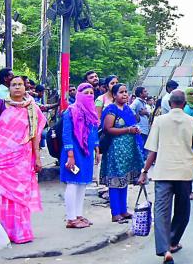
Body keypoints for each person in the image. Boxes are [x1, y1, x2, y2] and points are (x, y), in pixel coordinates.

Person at [139, 90, 193, 264]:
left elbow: (152, 150)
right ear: (184, 104)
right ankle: (173, 242)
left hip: (162, 173)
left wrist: (144, 170)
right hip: (183, 174)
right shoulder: (192, 121)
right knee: (183, 211)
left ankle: (165, 249)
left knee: (161, 212)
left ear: (170, 104)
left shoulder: (160, 121)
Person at [0, 76, 47, 243]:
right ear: (9, 87)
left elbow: (35, 136)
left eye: (20, 84)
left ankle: (19, 232)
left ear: (25, 87)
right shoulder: (0, 104)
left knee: (19, 195)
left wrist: (37, 157)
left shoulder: (32, 108)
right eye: (14, 85)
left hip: (22, 158)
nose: (17, 87)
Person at [99, 83, 145, 223]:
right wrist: (128, 130)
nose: (125, 94)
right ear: (113, 95)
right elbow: (108, 129)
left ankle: (123, 210)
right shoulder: (111, 109)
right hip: (115, 149)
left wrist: (135, 130)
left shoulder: (127, 109)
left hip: (128, 149)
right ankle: (115, 213)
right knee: (115, 180)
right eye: (121, 92)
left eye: (126, 92)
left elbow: (132, 125)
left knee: (124, 180)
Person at [60, 83, 101, 229]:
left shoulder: (92, 112)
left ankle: (78, 215)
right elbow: (66, 134)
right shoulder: (70, 111)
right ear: (79, 94)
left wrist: (97, 148)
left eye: (91, 93)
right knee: (72, 183)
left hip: (87, 153)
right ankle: (71, 218)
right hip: (74, 153)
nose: (89, 95)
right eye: (86, 93)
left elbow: (94, 132)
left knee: (82, 184)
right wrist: (70, 155)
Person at [130, 86, 152, 157]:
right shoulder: (137, 101)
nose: (147, 92)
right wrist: (136, 115)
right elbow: (130, 109)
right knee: (141, 146)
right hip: (140, 128)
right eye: (145, 91)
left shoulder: (143, 102)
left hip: (144, 128)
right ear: (140, 94)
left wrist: (146, 113)